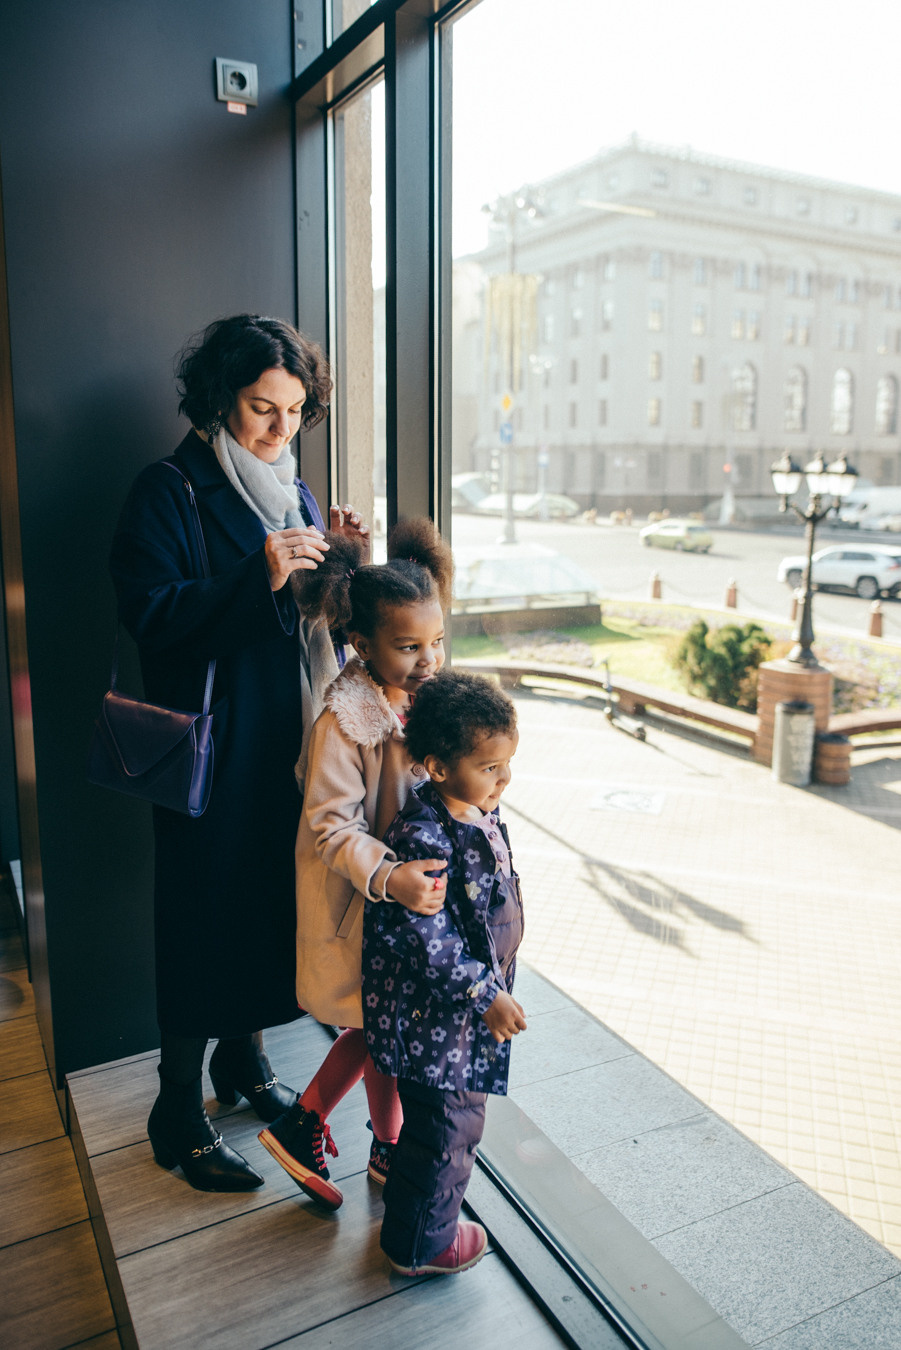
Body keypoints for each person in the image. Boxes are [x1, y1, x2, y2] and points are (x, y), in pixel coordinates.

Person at [110, 314, 369, 1192]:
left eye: (295, 412)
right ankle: (174, 1107)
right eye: (261, 408)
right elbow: (152, 616)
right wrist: (252, 573)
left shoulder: (289, 492)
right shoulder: (168, 489)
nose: (278, 430)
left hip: (284, 741)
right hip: (211, 748)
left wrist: (346, 564)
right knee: (199, 918)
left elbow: (303, 623)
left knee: (265, 906)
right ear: (221, 399)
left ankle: (243, 1067)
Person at [258, 519, 453, 1209]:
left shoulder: (417, 695)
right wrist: (389, 873)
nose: (427, 659)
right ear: (361, 644)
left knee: (379, 1024)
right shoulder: (344, 720)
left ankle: (386, 1145)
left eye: (435, 642)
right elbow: (328, 825)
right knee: (376, 1024)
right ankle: (303, 1119)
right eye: (408, 647)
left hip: (395, 903)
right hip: (356, 900)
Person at [362, 670, 526, 1276]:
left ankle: (411, 1218)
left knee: (442, 1125)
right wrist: (485, 993)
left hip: (455, 1018)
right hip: (438, 1020)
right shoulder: (424, 834)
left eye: (508, 763)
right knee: (447, 1130)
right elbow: (424, 937)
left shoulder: (474, 808)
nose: (503, 779)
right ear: (436, 767)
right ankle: (420, 1247)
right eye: (489, 767)